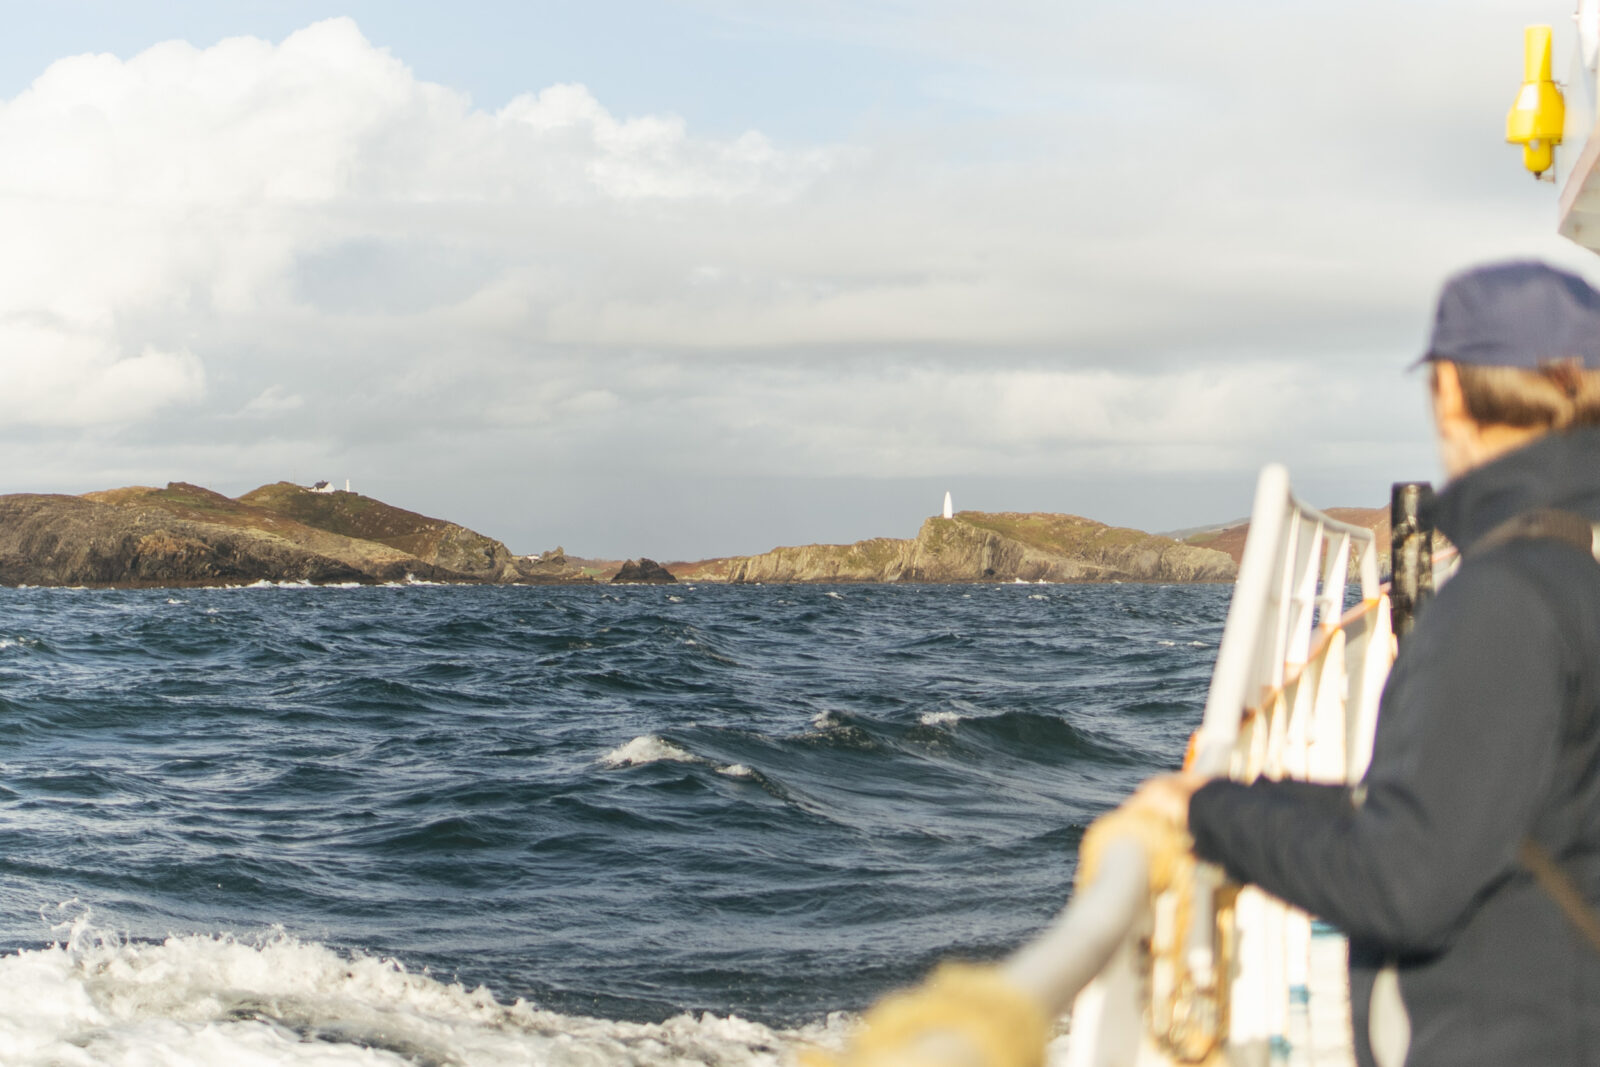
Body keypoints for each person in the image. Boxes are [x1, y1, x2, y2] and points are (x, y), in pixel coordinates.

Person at [1133, 260, 1600, 1067]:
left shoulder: (1503, 601)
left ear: (1449, 391)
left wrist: (1210, 819)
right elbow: (1482, 810)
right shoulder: (1568, 570)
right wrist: (1251, 801)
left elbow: (1404, 882)